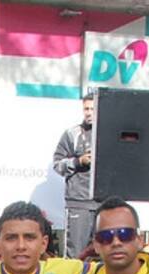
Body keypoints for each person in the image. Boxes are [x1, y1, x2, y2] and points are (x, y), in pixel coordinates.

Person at [53, 93, 96, 260]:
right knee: (76, 257)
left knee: (106, 255)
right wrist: (79, 161)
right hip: (79, 203)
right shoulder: (72, 134)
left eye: (93, 109)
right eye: (86, 108)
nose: (89, 112)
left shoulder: (111, 133)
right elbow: (57, 164)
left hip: (105, 203)